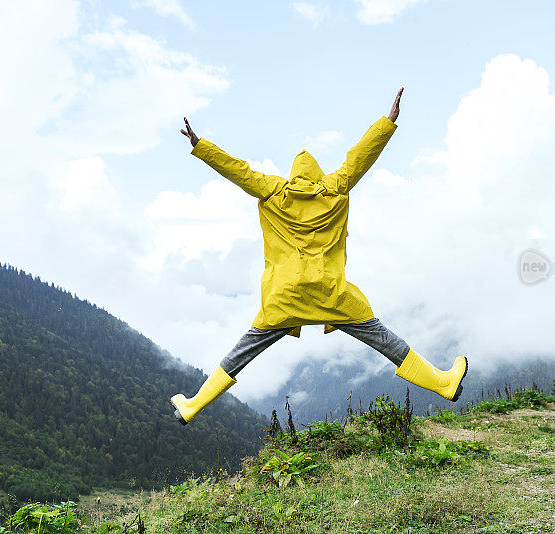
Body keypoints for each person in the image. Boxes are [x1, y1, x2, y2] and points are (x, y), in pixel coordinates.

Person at [170, 88, 467, 425]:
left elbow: (238, 170)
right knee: (384, 340)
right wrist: (387, 122)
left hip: (285, 297)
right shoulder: (335, 186)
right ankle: (443, 383)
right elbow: (360, 157)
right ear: (317, 172)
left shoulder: (272, 189)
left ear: (293, 173)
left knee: (242, 352)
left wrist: (200, 145)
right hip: (331, 294)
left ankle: (193, 405)